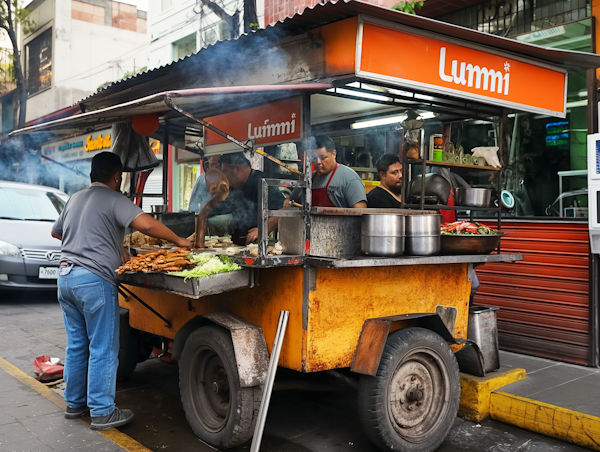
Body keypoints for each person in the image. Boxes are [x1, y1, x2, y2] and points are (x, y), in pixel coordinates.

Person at [51, 152, 191, 431]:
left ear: (92, 174)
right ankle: (103, 412)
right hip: (93, 280)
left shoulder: (75, 198)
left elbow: (57, 233)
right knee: (103, 347)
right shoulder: (115, 199)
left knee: (78, 345)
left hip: (65, 278)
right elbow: (147, 225)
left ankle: (74, 404)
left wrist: (113, 246)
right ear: (117, 177)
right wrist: (178, 240)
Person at [219, 152, 286, 245]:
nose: (224, 176)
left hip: (257, 245)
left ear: (236, 169)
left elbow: (282, 210)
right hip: (237, 244)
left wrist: (262, 230)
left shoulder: (261, 182)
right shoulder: (234, 187)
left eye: (225, 172)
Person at [288, 136, 367, 208]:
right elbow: (291, 201)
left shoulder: (349, 177)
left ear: (333, 154)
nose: (318, 162)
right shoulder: (308, 179)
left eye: (323, 157)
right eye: (314, 158)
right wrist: (288, 201)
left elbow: (360, 212)